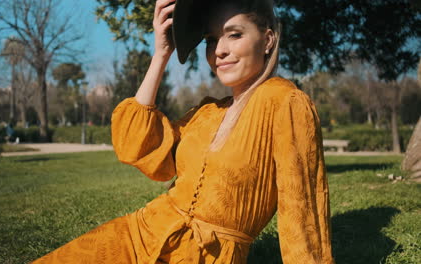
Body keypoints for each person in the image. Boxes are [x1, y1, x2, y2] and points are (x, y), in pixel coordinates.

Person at [32, 0, 335, 263]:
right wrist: (160, 54)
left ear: (268, 39)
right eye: (211, 40)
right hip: (141, 234)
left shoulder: (285, 102)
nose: (220, 51)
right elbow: (136, 147)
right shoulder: (206, 112)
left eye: (235, 34)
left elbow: (302, 209)